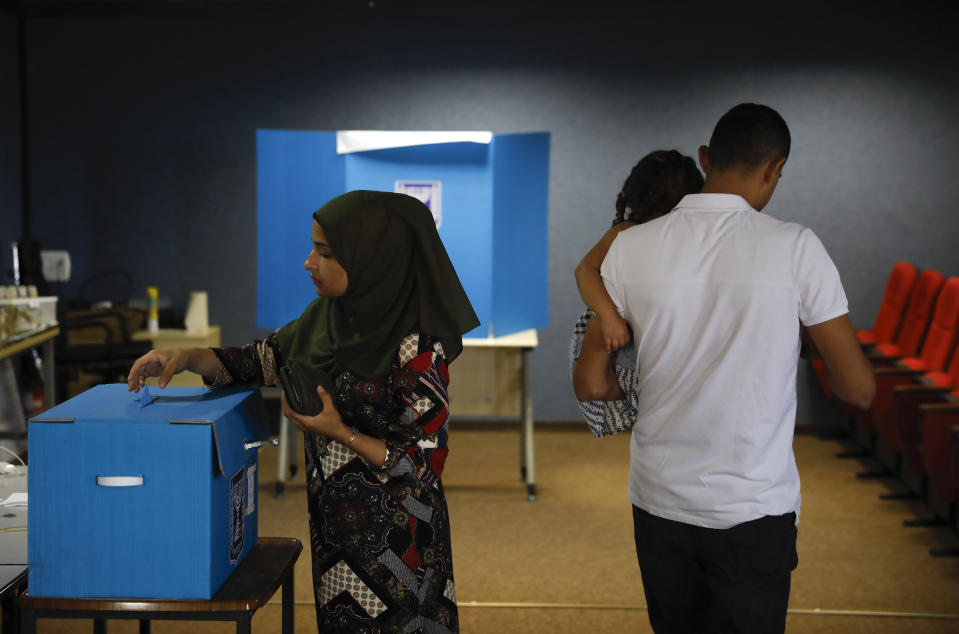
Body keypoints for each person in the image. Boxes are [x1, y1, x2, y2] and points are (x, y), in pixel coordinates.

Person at [573, 104, 875, 633]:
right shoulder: (797, 247)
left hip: (658, 501)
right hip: (753, 508)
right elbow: (858, 390)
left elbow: (594, 384)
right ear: (775, 168)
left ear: (705, 158)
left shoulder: (628, 249)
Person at [128, 190, 478, 633]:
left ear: (372, 258)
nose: (309, 262)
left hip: (400, 541)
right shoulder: (323, 319)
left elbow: (426, 461)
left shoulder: (417, 346)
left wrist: (340, 431)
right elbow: (258, 361)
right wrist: (186, 356)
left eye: (325, 252)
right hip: (336, 528)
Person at [571, 150, 703, 437]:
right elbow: (584, 271)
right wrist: (608, 316)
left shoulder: (695, 235)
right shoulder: (626, 233)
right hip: (626, 334)